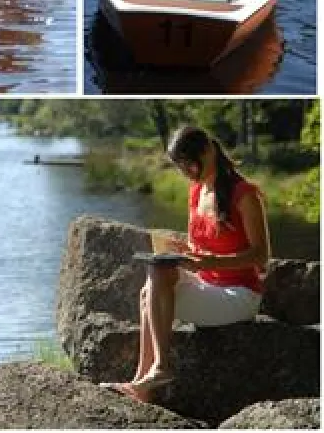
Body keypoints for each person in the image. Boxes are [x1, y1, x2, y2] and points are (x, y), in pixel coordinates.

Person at [103, 126, 270, 403]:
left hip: (238, 294)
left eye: (192, 164)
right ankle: (142, 381)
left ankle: (159, 368)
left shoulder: (245, 195)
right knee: (153, 279)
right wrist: (183, 251)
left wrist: (212, 261)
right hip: (207, 283)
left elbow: (261, 256)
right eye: (182, 168)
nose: (189, 172)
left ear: (209, 150)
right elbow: (200, 248)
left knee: (154, 285)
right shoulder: (197, 192)